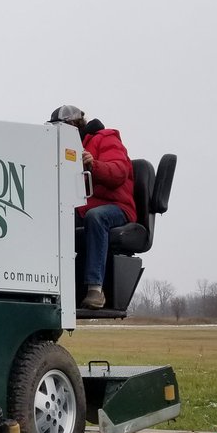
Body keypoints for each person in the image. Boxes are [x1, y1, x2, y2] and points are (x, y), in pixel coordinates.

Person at [48, 105, 135, 309]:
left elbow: (119, 171)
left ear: (75, 126)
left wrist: (93, 164)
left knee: (96, 217)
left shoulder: (106, 138)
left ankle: (95, 289)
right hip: (83, 209)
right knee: (54, 219)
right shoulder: (65, 150)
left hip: (116, 208)